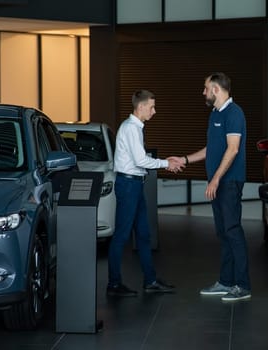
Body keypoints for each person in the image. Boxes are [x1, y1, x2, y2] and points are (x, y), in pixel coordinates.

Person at [179, 72, 251, 301]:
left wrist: (217, 178)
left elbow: (233, 149)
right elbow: (212, 149)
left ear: (216, 89)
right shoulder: (215, 114)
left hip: (229, 182)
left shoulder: (234, 113)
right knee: (223, 232)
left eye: (205, 88)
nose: (203, 92)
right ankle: (226, 281)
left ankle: (243, 285)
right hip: (219, 182)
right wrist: (185, 159)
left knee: (233, 230)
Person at [107, 89, 183, 297]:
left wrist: (165, 162)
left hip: (135, 185)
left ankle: (150, 280)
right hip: (129, 185)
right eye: (151, 107)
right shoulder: (131, 128)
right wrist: (167, 163)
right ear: (140, 107)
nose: (154, 111)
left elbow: (139, 160)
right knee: (122, 236)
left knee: (143, 234)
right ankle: (114, 284)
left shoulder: (134, 127)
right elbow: (141, 161)